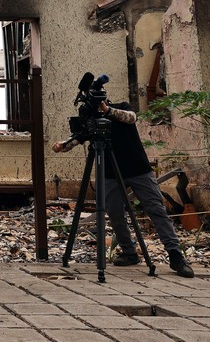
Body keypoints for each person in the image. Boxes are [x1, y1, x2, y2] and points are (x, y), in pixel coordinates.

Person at [52, 100, 194, 278]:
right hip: (109, 172)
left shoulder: (122, 107)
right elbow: (78, 138)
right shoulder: (92, 119)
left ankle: (176, 256)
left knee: (156, 209)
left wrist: (107, 110)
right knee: (114, 212)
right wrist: (62, 145)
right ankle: (129, 252)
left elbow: (131, 118)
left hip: (138, 168)